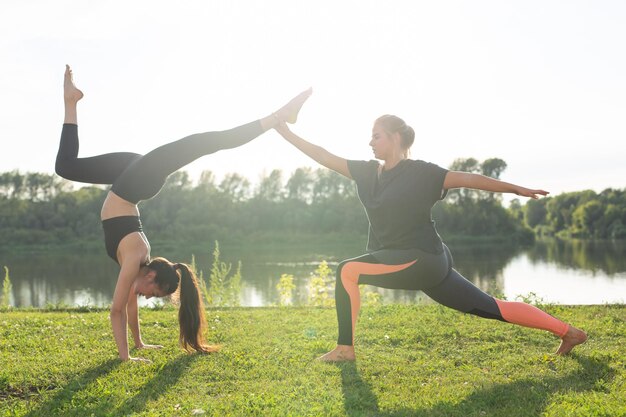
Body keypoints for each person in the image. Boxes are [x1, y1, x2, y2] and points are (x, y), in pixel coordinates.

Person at [275, 109, 588, 362]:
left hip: (422, 258)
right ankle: (568, 332)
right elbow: (321, 155)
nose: (370, 142)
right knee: (492, 307)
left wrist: (516, 189)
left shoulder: (422, 173)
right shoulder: (367, 172)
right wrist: (286, 132)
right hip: (412, 258)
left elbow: (469, 179)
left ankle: (345, 349)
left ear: (396, 137)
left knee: (348, 270)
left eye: (376, 135)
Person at [56, 65, 311, 362]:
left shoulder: (135, 263)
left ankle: (71, 101)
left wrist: (138, 346)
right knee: (204, 143)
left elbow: (126, 305)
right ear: (151, 275)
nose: (148, 296)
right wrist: (126, 360)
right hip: (137, 179)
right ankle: (278, 116)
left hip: (132, 178)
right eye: (155, 292)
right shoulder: (136, 254)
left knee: (66, 167)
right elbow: (116, 311)